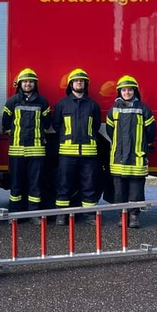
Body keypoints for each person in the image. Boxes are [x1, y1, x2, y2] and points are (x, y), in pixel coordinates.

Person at [52, 68, 102, 225]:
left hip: (88, 153)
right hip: (67, 152)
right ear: (70, 84)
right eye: (76, 81)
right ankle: (62, 215)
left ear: (85, 84)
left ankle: (89, 215)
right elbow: (56, 125)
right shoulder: (62, 104)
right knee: (64, 184)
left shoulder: (93, 105)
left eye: (81, 81)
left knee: (89, 184)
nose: (78, 83)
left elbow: (95, 126)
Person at [106, 75, 157, 229]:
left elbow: (151, 130)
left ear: (134, 91)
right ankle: (122, 215)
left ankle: (134, 215)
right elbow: (110, 131)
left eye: (129, 90)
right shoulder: (114, 110)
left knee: (136, 187)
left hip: (137, 156)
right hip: (119, 156)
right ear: (119, 92)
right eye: (124, 90)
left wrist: (142, 145)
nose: (127, 92)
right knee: (119, 188)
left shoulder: (143, 109)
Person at [2, 68, 51, 220]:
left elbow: (47, 123)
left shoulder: (42, 102)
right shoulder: (12, 101)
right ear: (20, 84)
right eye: (25, 81)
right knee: (16, 184)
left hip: (36, 151)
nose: (28, 84)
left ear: (35, 84)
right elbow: (5, 123)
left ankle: (33, 214)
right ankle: (16, 215)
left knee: (35, 184)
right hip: (17, 150)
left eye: (30, 82)